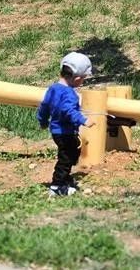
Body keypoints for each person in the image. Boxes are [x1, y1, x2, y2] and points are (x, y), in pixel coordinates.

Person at [36, 52, 96, 197]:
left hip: (56, 132)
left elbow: (44, 106)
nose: (82, 82)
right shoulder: (70, 94)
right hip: (65, 132)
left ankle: (65, 178)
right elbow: (68, 110)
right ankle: (57, 186)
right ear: (77, 79)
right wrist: (83, 120)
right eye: (83, 79)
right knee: (66, 159)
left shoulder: (53, 88)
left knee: (73, 152)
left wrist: (43, 121)